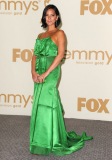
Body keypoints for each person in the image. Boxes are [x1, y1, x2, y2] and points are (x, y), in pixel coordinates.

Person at [30, 4, 93, 156]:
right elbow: (34, 56)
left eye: (52, 15)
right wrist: (33, 72)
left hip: (51, 71)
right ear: (44, 18)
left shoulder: (60, 33)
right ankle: (43, 138)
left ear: (57, 17)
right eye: (47, 15)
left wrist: (46, 73)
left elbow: (59, 56)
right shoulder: (40, 36)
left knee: (48, 101)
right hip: (39, 70)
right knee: (40, 103)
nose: (49, 18)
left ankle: (50, 141)